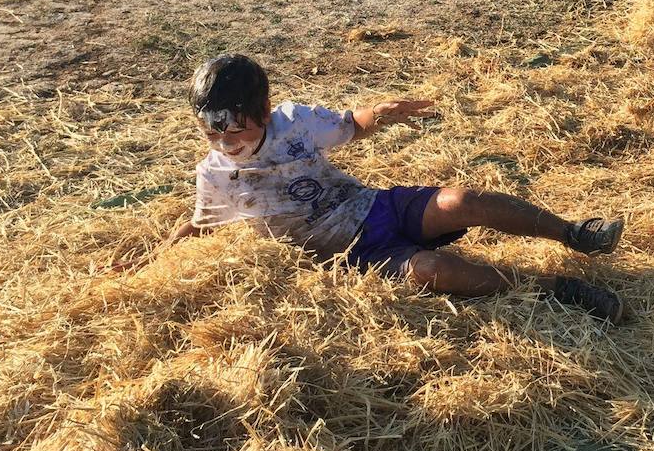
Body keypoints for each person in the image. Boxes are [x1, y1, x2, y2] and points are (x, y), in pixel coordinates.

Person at [136, 53, 626, 321]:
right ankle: (554, 289)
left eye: (235, 128)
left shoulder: (295, 123)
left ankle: (575, 233)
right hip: (348, 256)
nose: (225, 141)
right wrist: (148, 261)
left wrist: (382, 112)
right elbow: (198, 227)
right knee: (434, 270)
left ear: (264, 112)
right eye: (211, 132)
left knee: (462, 200)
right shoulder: (216, 176)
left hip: (372, 208)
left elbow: (351, 124)